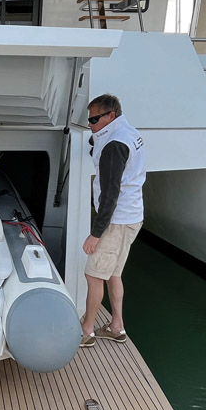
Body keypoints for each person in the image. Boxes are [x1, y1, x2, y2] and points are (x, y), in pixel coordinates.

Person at [80, 93, 146, 347]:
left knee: (94, 275)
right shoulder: (129, 133)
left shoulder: (113, 147)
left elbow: (109, 195)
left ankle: (87, 331)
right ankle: (117, 326)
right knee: (114, 273)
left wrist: (96, 234)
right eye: (89, 119)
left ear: (111, 116)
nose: (90, 124)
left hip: (116, 222)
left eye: (95, 119)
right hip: (133, 216)